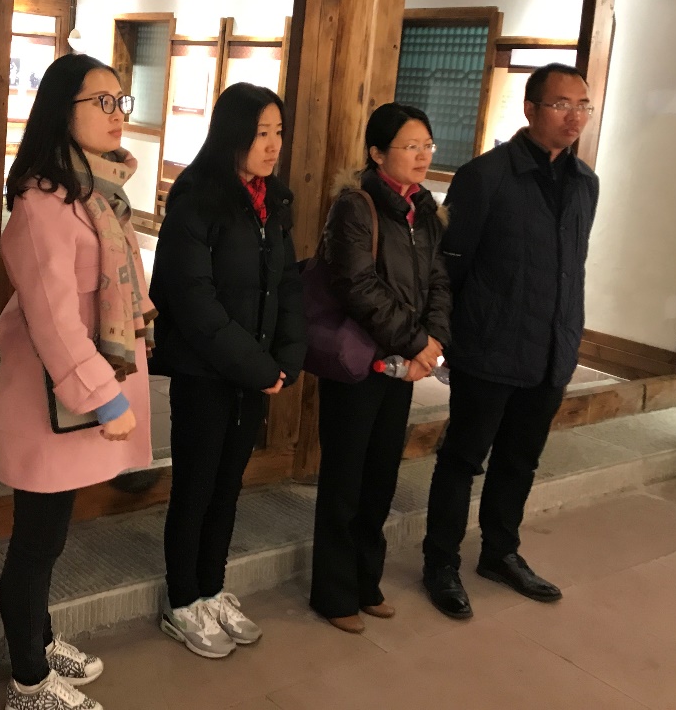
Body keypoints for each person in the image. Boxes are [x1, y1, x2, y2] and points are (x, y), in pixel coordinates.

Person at [0, 53, 154, 710]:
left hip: (76, 395)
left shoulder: (100, 191)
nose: (116, 114)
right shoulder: (41, 202)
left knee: (50, 538)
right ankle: (28, 680)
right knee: (35, 543)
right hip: (50, 401)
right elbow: (53, 318)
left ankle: (41, 637)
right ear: (63, 111)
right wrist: (104, 397)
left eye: (120, 101)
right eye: (101, 102)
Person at [421, 63, 599, 620]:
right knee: (462, 459)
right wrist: (447, 338)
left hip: (551, 350)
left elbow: (572, 267)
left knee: (520, 460)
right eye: (561, 104)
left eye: (583, 105)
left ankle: (500, 552)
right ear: (530, 109)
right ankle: (440, 563)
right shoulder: (485, 177)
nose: (574, 117)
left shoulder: (585, 182)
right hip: (490, 347)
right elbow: (451, 267)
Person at [149, 82, 306, 659]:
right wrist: (256, 366)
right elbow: (192, 300)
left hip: (254, 373)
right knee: (195, 487)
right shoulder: (197, 199)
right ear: (231, 135)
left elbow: (287, 285)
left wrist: (285, 360)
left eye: (278, 133)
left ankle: (212, 588)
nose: (272, 145)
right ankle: (182, 599)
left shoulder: (274, 202)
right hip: (205, 374)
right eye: (261, 133)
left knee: (228, 486)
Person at [310, 104, 451, 634]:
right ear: (376, 152)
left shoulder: (425, 210)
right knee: (345, 478)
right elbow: (358, 285)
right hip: (359, 364)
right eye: (411, 146)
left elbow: (438, 281)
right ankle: (333, 592)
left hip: (403, 366)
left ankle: (366, 581)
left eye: (427, 145)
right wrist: (416, 342)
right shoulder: (356, 206)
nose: (422, 155)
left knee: (381, 477)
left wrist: (432, 345)